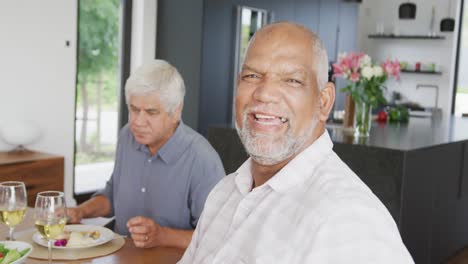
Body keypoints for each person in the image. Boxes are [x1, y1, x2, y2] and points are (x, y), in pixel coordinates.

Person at [178, 22, 414, 263]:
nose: (264, 93)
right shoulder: (225, 191)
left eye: (292, 80)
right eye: (252, 76)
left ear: (324, 102)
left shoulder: (349, 220)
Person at [67, 59, 225, 249]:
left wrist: (162, 236)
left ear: (176, 111)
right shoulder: (128, 135)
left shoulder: (202, 159)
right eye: (134, 109)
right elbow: (112, 196)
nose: (138, 122)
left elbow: (216, 238)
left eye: (151, 112)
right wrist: (80, 212)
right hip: (120, 254)